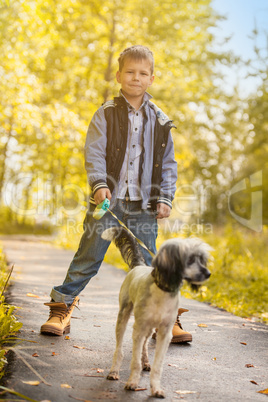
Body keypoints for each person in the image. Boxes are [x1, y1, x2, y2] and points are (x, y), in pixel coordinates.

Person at [41, 45, 192, 343]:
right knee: (88, 256)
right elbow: (94, 152)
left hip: (144, 205)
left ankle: (165, 318)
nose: (136, 78)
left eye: (143, 73)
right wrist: (99, 184)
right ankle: (61, 310)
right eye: (130, 72)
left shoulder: (161, 121)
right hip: (107, 204)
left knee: (148, 264)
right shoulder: (105, 114)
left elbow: (169, 164)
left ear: (152, 78)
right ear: (119, 75)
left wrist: (165, 197)